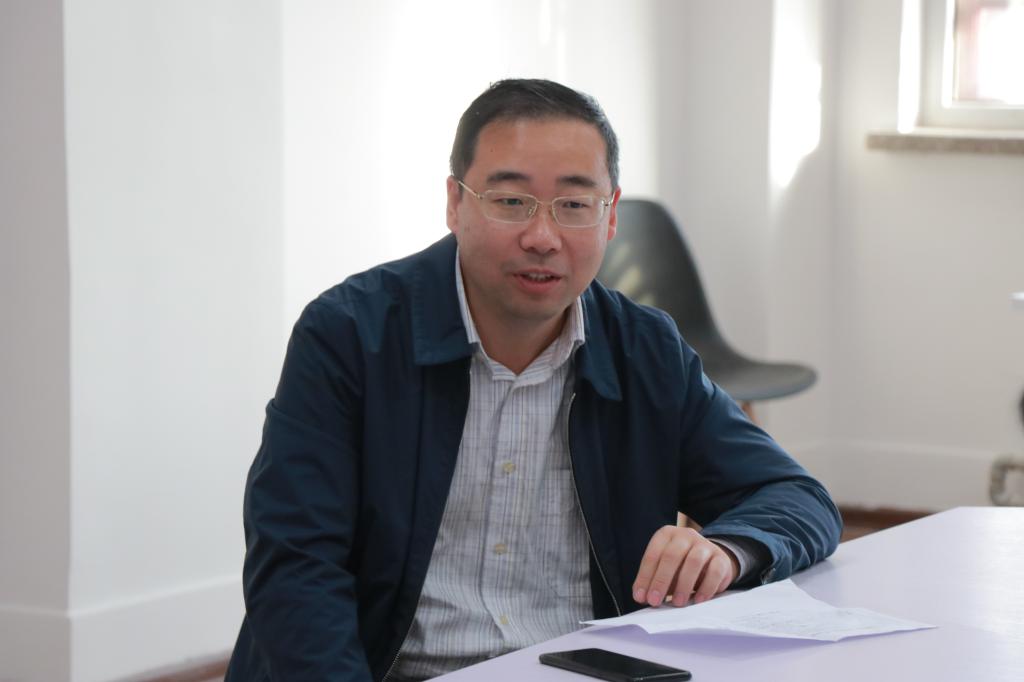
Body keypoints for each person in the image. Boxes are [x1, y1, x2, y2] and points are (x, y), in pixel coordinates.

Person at [226, 79, 841, 681]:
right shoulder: (350, 335)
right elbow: (297, 566)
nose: (542, 238)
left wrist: (728, 548)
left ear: (609, 216)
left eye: (574, 205)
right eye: (511, 201)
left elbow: (796, 498)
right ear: (455, 203)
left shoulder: (645, 351)